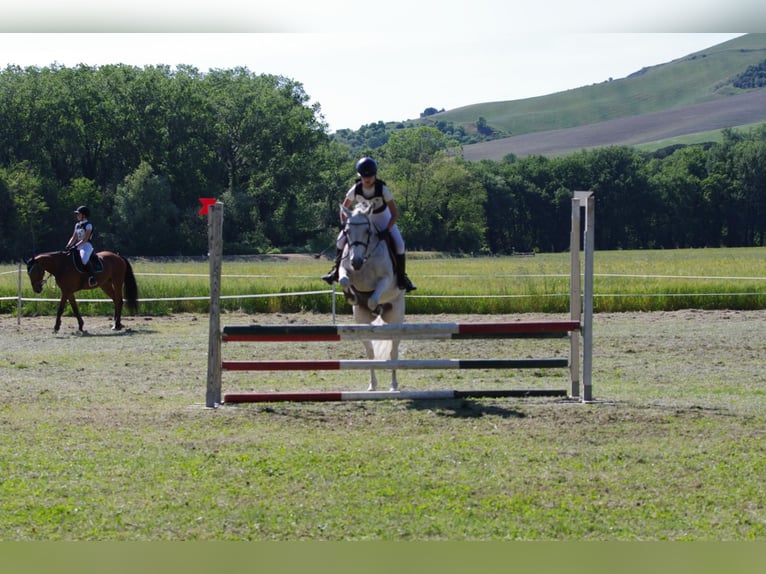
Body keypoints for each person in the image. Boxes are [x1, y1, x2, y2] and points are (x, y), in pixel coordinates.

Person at [322, 157, 416, 292]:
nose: (367, 179)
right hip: (361, 221)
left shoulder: (383, 189)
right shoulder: (355, 189)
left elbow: (395, 214)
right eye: (364, 177)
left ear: (375, 175)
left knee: (400, 244)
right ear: (359, 176)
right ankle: (335, 271)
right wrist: (344, 225)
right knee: (340, 241)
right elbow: (344, 209)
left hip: (383, 218)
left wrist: (387, 230)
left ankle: (402, 278)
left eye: (370, 176)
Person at [65, 205, 97, 287]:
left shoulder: (88, 225)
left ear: (84, 215)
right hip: (78, 245)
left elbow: (85, 239)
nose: (77, 216)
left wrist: (75, 246)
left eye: (78, 214)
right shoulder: (77, 225)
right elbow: (74, 237)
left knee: (84, 259)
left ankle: (92, 277)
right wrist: (68, 245)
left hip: (86, 245)